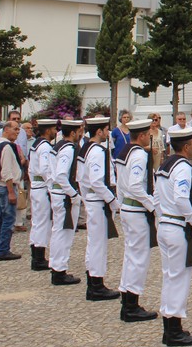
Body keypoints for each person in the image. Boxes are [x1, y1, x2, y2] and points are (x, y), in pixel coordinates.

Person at [156, 126, 192, 346]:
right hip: (179, 227)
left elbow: (156, 196)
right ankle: (174, 330)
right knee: (179, 279)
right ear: (186, 147)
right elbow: (181, 199)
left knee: (170, 277)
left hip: (166, 224)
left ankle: (169, 325)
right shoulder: (183, 167)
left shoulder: (165, 165)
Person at [115, 118, 160, 323]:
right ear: (141, 136)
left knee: (131, 255)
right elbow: (135, 185)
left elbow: (120, 183)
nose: (149, 137)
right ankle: (132, 304)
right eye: (147, 134)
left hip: (127, 207)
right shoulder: (139, 154)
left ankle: (127, 298)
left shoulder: (125, 152)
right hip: (136, 209)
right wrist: (152, 205)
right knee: (138, 258)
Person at [77, 116, 121, 301]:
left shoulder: (87, 148)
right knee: (98, 244)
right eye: (106, 130)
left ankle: (94, 280)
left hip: (93, 199)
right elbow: (96, 181)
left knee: (94, 242)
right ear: (99, 131)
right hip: (98, 200)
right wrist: (112, 200)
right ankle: (96, 284)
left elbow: (81, 178)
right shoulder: (96, 151)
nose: (108, 133)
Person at [50, 120, 84, 284]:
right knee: (64, 233)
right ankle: (59, 269)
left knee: (59, 231)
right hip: (64, 195)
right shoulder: (68, 149)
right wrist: (73, 194)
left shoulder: (58, 146)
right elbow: (61, 175)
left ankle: (57, 267)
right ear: (72, 133)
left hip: (59, 193)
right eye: (79, 131)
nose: (80, 134)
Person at [0, 120, 23, 261]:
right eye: (15, 129)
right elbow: (6, 171)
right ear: (6, 129)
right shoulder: (6, 147)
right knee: (8, 219)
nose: (17, 132)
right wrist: (11, 191)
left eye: (18, 129)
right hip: (5, 186)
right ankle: (3, 250)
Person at [27, 119, 57, 270]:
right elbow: (45, 169)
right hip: (43, 187)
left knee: (37, 222)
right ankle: (39, 258)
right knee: (43, 223)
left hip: (36, 186)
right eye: (54, 129)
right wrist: (52, 187)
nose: (56, 132)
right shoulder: (45, 147)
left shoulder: (36, 144)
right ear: (48, 130)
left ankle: (36, 255)